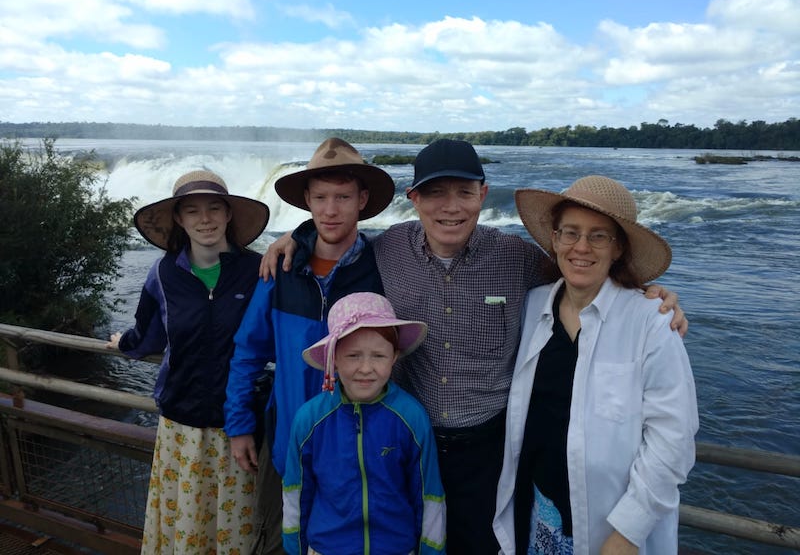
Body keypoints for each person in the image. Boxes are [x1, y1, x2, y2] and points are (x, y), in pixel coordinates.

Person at [265, 139, 688, 554]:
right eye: (434, 194)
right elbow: (338, 238)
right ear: (413, 199)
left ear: (482, 195)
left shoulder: (517, 259)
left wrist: (646, 292)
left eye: (464, 193)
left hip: (491, 454)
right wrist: (296, 241)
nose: (450, 207)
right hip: (408, 441)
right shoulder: (389, 249)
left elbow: (581, 269)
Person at [493, 175, 698, 554]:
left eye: (599, 236)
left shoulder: (651, 322)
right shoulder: (533, 305)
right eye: (570, 233)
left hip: (612, 531)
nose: (581, 247)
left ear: (618, 248)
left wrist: (627, 534)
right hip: (537, 511)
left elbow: (673, 440)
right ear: (554, 240)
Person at [224, 138, 395, 554]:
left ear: (363, 200)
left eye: (342, 197)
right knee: (278, 541)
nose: (331, 209)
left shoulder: (383, 267)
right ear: (307, 200)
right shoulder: (280, 269)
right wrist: (240, 424)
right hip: (286, 441)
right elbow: (248, 352)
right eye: (320, 197)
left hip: (359, 449)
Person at [107, 170, 270, 554]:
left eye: (215, 208)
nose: (206, 219)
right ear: (179, 219)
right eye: (193, 211)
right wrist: (122, 344)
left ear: (229, 214)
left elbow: (275, 336)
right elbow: (147, 333)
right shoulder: (163, 273)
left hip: (240, 427)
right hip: (182, 427)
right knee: (187, 526)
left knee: (237, 531)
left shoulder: (259, 271)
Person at [282, 292, 446, 555]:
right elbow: (295, 494)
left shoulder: (411, 417)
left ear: (394, 356)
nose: (366, 368)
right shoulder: (309, 420)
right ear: (333, 359)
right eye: (353, 356)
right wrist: (294, 549)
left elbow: (429, 496)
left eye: (379, 356)